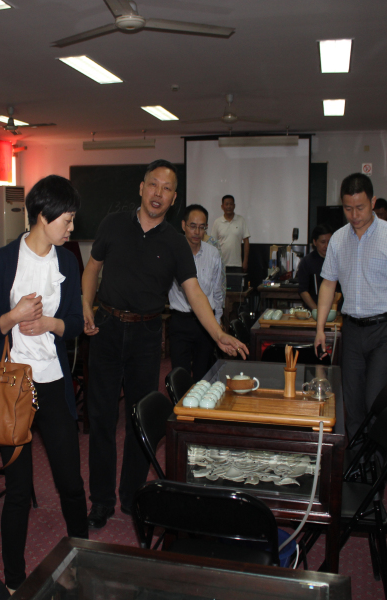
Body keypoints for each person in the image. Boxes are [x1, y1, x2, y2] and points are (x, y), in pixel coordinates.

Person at [82, 160, 248, 530]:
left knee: (139, 418)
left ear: (173, 200)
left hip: (146, 336)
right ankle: (101, 500)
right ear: (141, 188)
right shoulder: (112, 224)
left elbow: (195, 293)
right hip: (106, 329)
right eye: (153, 185)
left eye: (167, 188)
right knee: (102, 418)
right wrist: (84, 304)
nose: (159, 193)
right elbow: (92, 268)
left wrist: (218, 333)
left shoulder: (175, 242)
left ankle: (131, 496)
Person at [0, 175, 88, 592]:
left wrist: (48, 324)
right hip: (13, 386)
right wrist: (15, 316)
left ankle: (85, 561)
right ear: (43, 216)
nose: (72, 228)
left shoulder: (68, 262)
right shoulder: (5, 259)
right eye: (67, 219)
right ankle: (13, 581)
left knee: (70, 482)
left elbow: (75, 323)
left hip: (53, 381)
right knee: (18, 489)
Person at [314, 173, 387, 439]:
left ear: (373, 202)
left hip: (384, 330)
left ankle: (376, 456)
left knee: (375, 399)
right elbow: (328, 284)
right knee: (351, 400)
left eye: (360, 208)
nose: (354, 215)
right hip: (352, 329)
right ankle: (357, 456)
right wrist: (320, 329)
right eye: (348, 208)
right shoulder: (338, 240)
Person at [168, 204, 225, 381]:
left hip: (205, 324)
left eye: (202, 227)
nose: (197, 232)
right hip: (180, 321)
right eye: (193, 226)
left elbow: (217, 291)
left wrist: (217, 322)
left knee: (204, 376)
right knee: (180, 375)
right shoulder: (172, 252)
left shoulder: (213, 254)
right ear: (183, 225)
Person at [296, 224, 333, 311]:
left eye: (329, 242)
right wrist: (317, 311)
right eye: (323, 242)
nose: (326, 246)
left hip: (335, 310)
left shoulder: (337, 260)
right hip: (314, 309)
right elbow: (303, 290)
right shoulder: (307, 262)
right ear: (315, 242)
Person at [211, 194, 251, 272]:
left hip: (237, 264)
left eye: (231, 204)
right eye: (226, 204)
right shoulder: (217, 222)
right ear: (222, 206)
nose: (229, 206)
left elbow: (246, 241)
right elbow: (213, 243)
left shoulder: (241, 220)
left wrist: (245, 261)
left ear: (234, 206)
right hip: (220, 264)